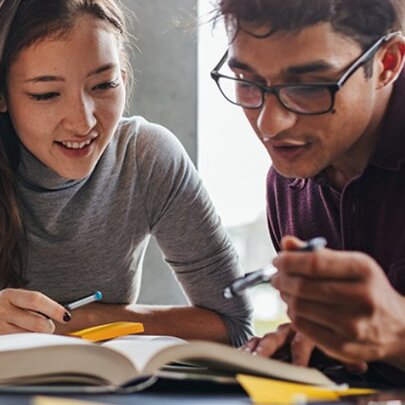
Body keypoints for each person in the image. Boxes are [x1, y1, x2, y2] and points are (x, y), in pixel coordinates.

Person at [0, 0, 253, 346]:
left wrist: (82, 321)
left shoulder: (145, 158)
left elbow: (234, 325)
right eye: (46, 94)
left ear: (123, 76)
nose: (83, 121)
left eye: (103, 85)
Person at [212, 0, 405, 387]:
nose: (271, 123)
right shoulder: (287, 180)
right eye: (248, 83)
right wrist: (312, 343)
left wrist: (397, 335)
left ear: (386, 63)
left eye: (308, 87)